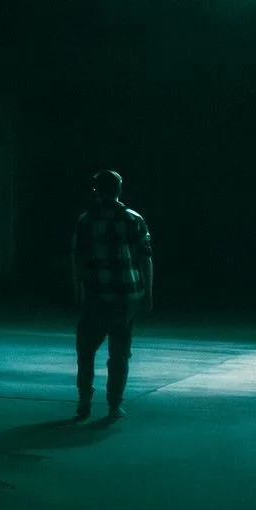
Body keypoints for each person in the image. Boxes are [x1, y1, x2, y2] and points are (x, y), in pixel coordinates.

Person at [71, 170, 152, 421]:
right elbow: (144, 259)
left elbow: (78, 260)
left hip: (96, 295)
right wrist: (147, 293)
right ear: (119, 189)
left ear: (96, 190)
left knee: (86, 351)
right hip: (126, 296)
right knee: (119, 353)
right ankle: (114, 404)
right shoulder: (133, 219)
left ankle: (85, 401)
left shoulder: (86, 221)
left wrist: (78, 291)